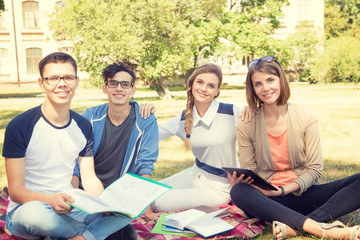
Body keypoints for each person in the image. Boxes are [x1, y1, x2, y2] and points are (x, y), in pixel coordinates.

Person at [2, 52, 132, 240]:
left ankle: (79, 237)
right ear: (42, 82)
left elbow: (89, 179)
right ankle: (89, 234)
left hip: (71, 206)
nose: (61, 83)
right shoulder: (20, 126)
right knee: (37, 215)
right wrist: (50, 200)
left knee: (126, 212)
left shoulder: (83, 125)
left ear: (77, 81)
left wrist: (105, 205)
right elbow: (15, 191)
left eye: (68, 77)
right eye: (53, 78)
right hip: (30, 208)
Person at [228, 56, 360, 240]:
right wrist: (245, 181)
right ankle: (325, 230)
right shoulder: (246, 123)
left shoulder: (306, 116)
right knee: (237, 191)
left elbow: (314, 169)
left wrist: (283, 190)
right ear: (252, 88)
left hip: (304, 194)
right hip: (267, 199)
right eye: (258, 84)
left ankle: (297, 227)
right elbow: (251, 168)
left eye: (270, 80)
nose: (265, 88)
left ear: (281, 79)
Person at [72, 61, 159, 238]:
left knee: (123, 228)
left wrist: (147, 208)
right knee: (77, 219)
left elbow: (145, 164)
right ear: (105, 88)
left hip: (120, 196)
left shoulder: (145, 119)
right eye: (113, 83)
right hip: (88, 192)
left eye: (125, 84)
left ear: (133, 90)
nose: (119, 88)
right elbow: (74, 161)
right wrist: (73, 198)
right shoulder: (90, 116)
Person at [149, 63, 248, 214]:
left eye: (211, 85)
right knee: (148, 193)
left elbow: (256, 137)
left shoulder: (231, 112)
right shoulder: (182, 119)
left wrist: (252, 110)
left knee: (156, 203)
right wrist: (143, 113)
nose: (203, 89)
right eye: (200, 82)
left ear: (217, 91)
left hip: (218, 188)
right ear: (192, 83)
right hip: (195, 173)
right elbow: (149, 136)